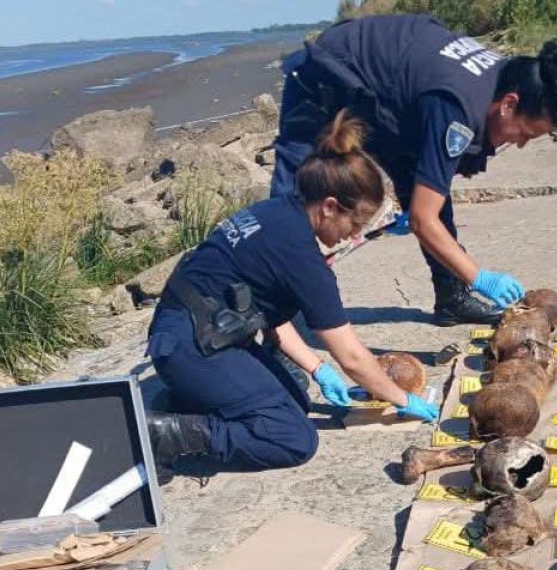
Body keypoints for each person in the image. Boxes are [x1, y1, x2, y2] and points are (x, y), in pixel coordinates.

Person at [145, 111, 439, 479]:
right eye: (355, 224)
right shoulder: (301, 257)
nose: (353, 236)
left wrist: (317, 369)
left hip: (189, 333)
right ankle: (168, 435)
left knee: (295, 398)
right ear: (330, 207)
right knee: (292, 438)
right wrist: (404, 400)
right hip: (192, 347)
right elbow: (351, 356)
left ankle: (184, 401)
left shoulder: (277, 213)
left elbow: (269, 313)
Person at [272, 14, 557, 327]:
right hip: (325, 75)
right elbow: (422, 220)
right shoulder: (457, 109)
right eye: (525, 134)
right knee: (290, 204)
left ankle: (451, 297)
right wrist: (479, 275)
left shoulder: (503, 76)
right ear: (509, 104)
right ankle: (274, 326)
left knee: (430, 182)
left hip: (388, 94)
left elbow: (431, 190)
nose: (519, 145)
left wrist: (424, 208)